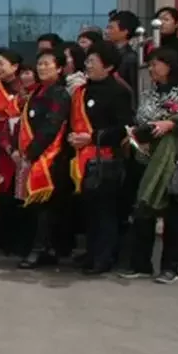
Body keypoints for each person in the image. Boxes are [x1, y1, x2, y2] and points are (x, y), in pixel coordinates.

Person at [122, 48, 178, 284]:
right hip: (146, 156)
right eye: (149, 65)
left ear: (170, 65)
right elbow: (142, 118)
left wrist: (171, 124)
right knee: (143, 209)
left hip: (173, 158)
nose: (151, 69)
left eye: (155, 64)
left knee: (173, 214)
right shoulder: (149, 93)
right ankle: (140, 263)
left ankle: (171, 267)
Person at [67, 42, 134, 275]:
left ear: (109, 67)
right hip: (81, 158)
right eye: (87, 62)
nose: (88, 66)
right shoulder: (82, 91)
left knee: (105, 211)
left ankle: (104, 258)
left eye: (93, 62)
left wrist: (92, 137)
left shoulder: (117, 92)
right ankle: (91, 253)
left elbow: (124, 128)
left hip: (105, 158)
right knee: (89, 210)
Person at [16, 50, 72, 270]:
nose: (42, 68)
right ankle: (40, 247)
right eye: (39, 64)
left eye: (47, 64)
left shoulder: (59, 94)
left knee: (46, 207)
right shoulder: (36, 92)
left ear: (59, 68)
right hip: (32, 155)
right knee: (34, 207)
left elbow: (52, 125)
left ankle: (41, 249)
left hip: (50, 157)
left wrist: (33, 150)